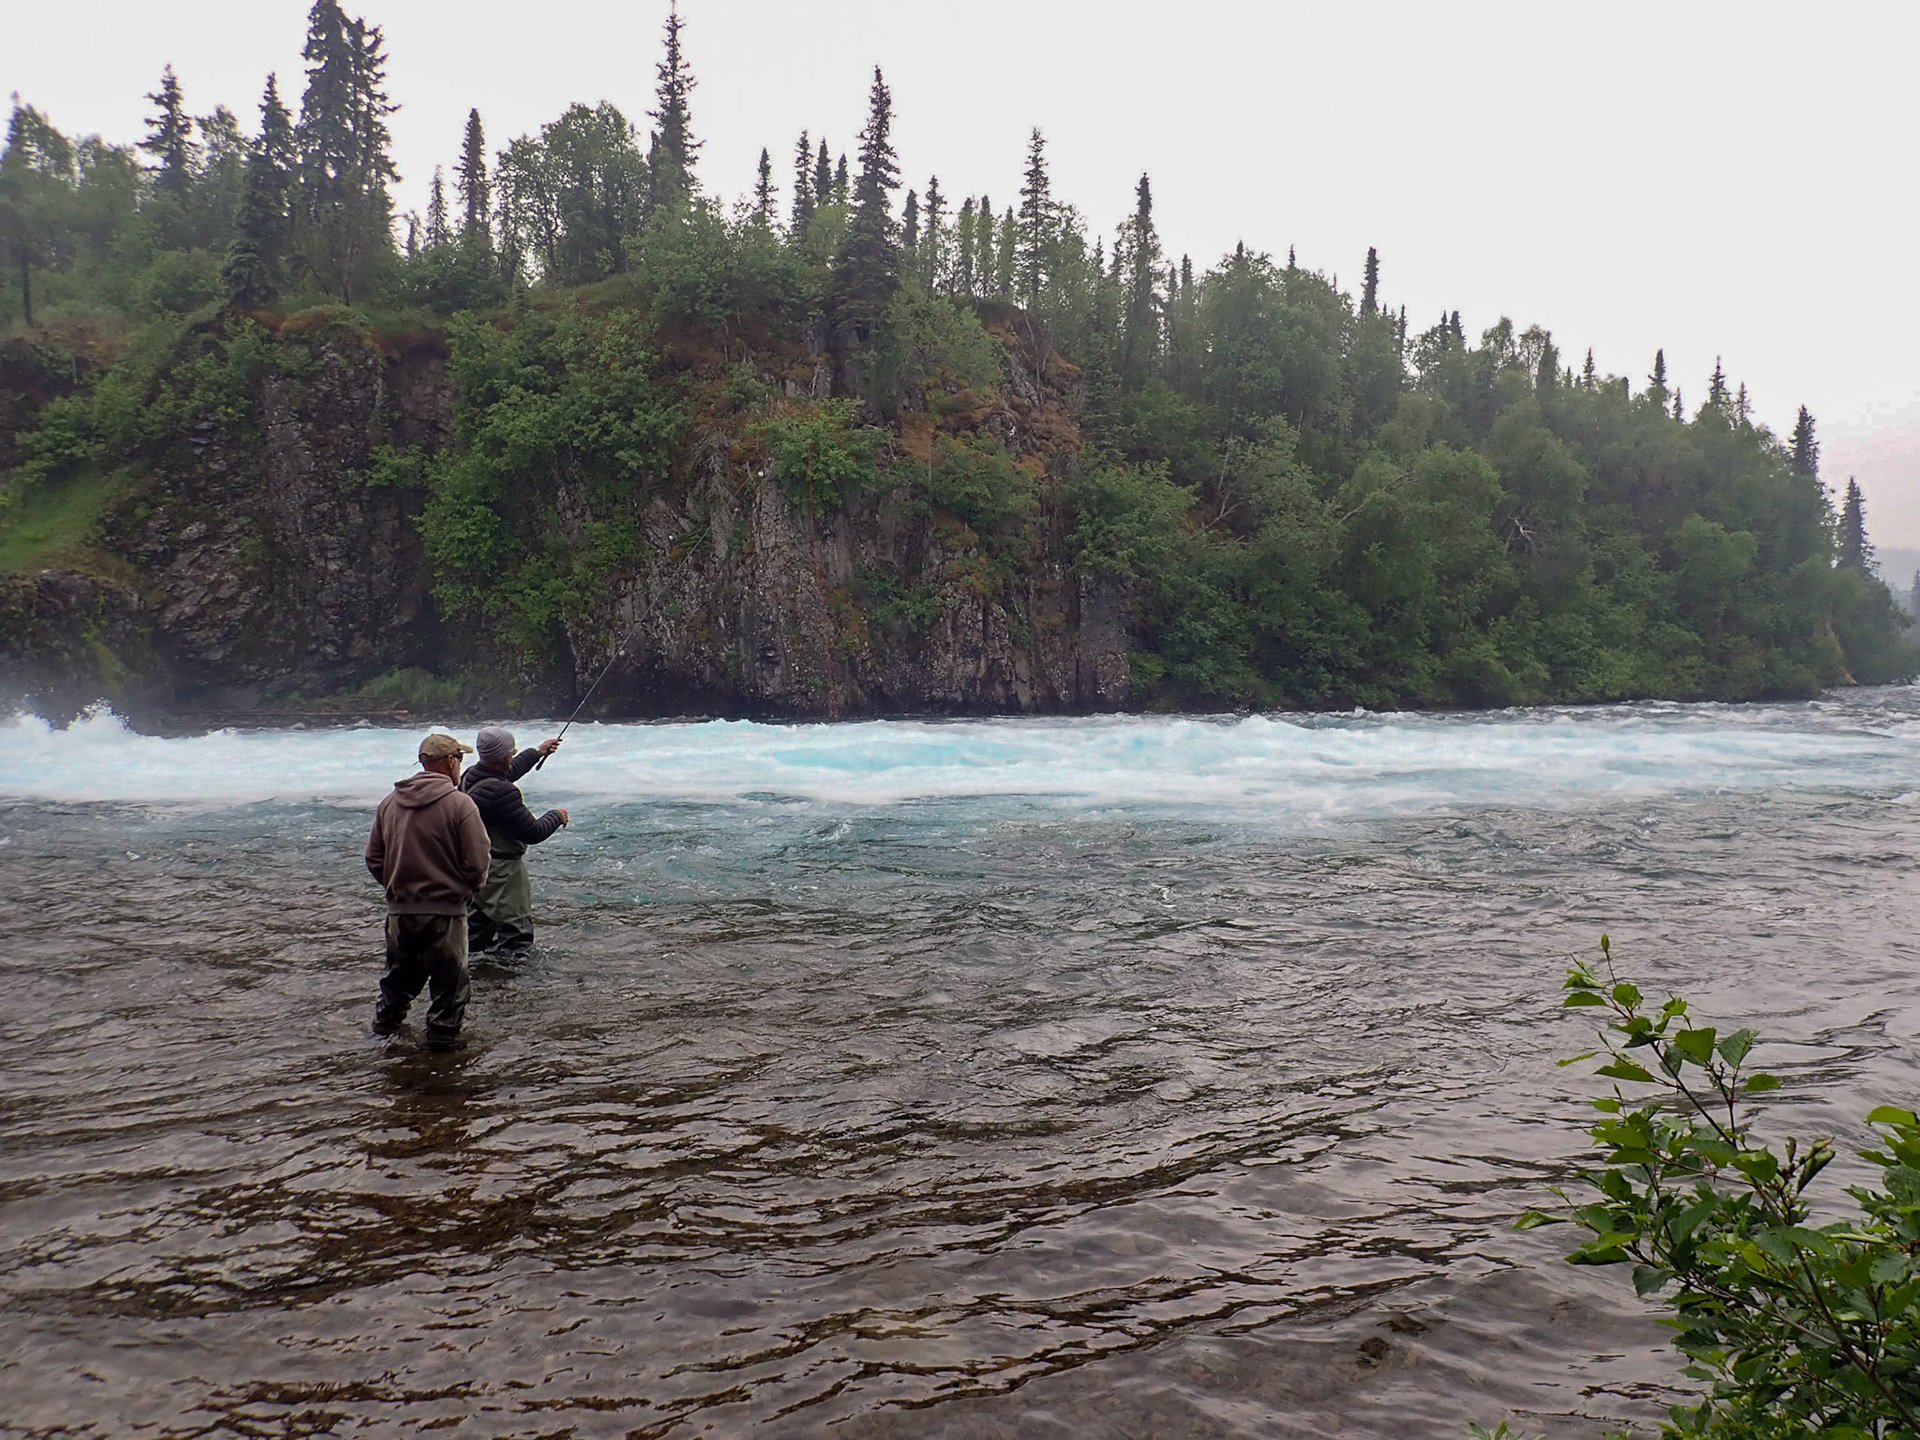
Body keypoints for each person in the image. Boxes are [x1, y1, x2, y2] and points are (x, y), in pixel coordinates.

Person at [365, 733, 491, 1050]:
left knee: (396, 987)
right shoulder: (461, 804)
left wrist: (397, 886)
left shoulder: (389, 803)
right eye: (460, 759)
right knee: (450, 992)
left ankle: (383, 1052)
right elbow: (477, 861)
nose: (460, 765)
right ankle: (443, 1067)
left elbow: (373, 858)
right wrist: (467, 891)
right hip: (446, 912)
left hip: (399, 913)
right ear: (450, 762)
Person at [461, 725, 570, 956]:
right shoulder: (503, 793)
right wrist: (556, 815)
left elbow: (504, 774)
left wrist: (538, 752)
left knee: (476, 936)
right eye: (512, 752)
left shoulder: (470, 776)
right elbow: (534, 832)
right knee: (517, 941)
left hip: (477, 870)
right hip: (503, 875)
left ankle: (477, 981)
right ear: (502, 757)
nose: (513, 756)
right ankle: (514, 988)